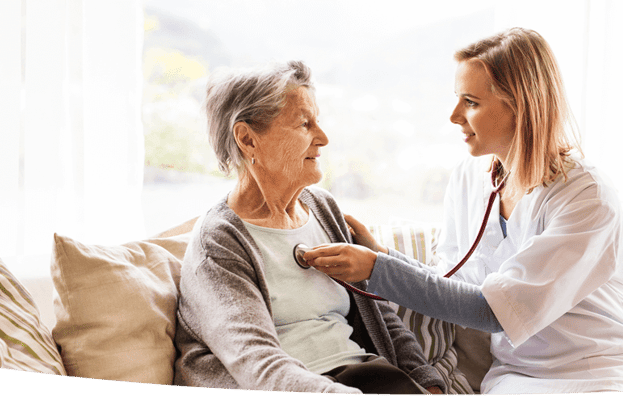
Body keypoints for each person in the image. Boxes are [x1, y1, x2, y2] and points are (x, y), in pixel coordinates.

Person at [303, 28, 623, 394]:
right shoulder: (469, 177)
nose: (454, 116)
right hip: (518, 372)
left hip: (601, 368)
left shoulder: (586, 197)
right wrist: (383, 256)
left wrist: (376, 268)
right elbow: (452, 285)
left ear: (521, 105)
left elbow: (491, 311)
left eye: (471, 102)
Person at [172, 60, 445, 395]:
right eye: (304, 124)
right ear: (247, 139)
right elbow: (256, 362)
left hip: (367, 376)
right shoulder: (219, 241)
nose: (323, 138)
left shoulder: (322, 208)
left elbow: (379, 314)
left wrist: (427, 381)